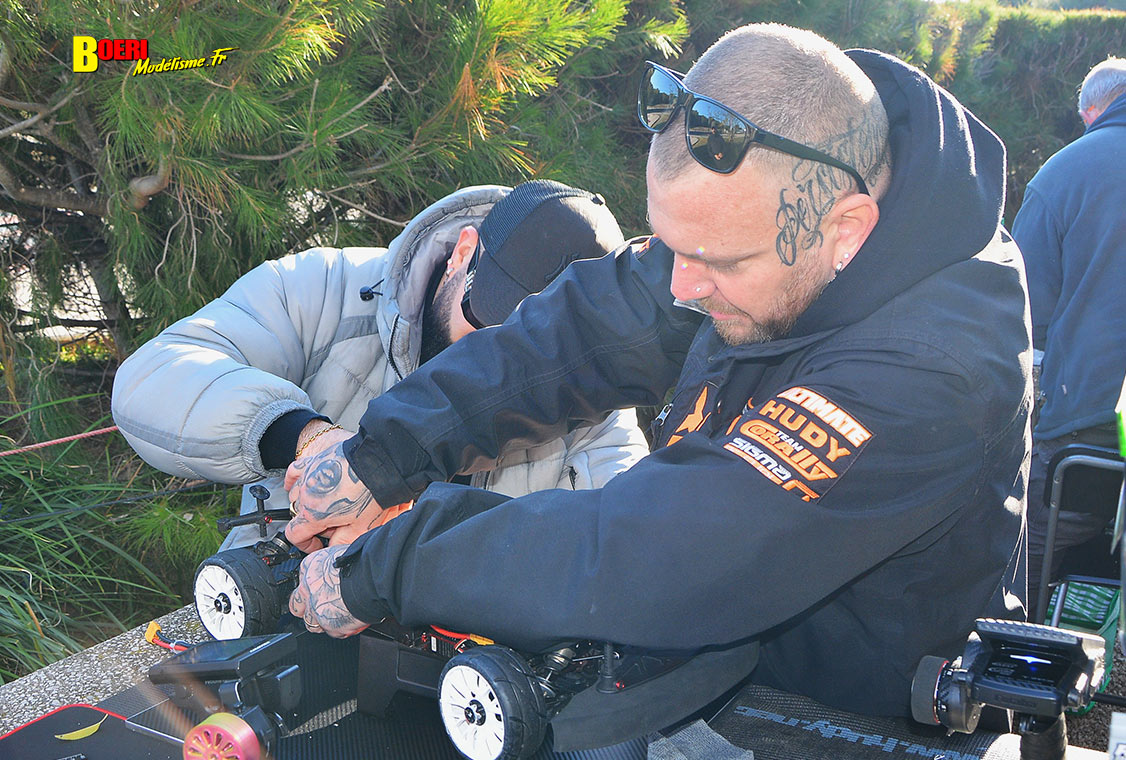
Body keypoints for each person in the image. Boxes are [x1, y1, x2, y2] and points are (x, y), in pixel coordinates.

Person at [285, 23, 1030, 721]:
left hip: (840, 718)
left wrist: (397, 563)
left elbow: (675, 553)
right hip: (698, 676)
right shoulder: (769, 209)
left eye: (716, 261)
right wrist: (384, 454)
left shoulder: (937, 366)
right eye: (674, 245)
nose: (680, 287)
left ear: (845, 231)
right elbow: (586, 328)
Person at [112, 180, 649, 550]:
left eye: (526, 352)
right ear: (465, 252)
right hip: (279, 616)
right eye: (486, 317)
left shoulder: (594, 403)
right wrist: (310, 442)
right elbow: (152, 378)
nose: (493, 359)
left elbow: (624, 554)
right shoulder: (321, 287)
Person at [1012, 56, 1126, 611]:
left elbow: (1019, 310)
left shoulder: (1064, 172)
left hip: (1087, 435)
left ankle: (1022, 682)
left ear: (1091, 111)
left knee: (1023, 556)